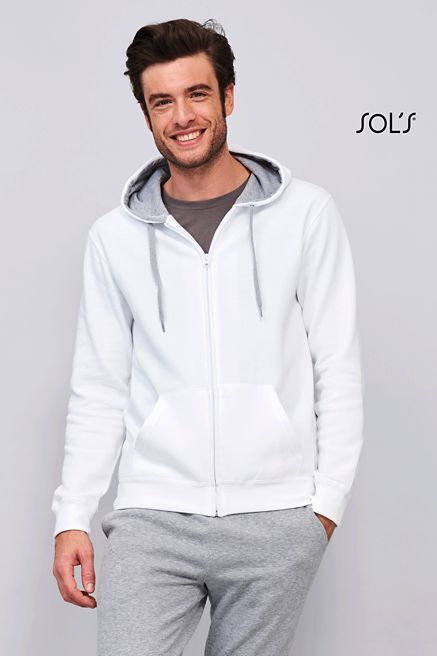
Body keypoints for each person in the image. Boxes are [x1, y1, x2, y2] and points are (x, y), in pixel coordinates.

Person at [51, 17, 364, 655]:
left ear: (228, 97)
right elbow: (100, 385)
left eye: (197, 94)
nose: (182, 117)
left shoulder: (306, 214)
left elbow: (337, 365)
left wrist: (323, 510)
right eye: (162, 101)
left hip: (277, 518)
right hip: (153, 517)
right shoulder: (114, 237)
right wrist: (72, 515)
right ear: (146, 114)